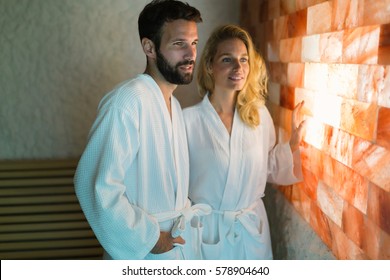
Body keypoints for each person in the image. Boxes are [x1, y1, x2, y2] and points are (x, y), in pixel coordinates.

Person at [74, 0, 210, 260]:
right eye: (179, 43)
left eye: (193, 43)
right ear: (149, 47)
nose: (191, 54)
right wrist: (150, 239)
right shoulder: (127, 101)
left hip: (176, 248)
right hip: (144, 252)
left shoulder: (175, 105)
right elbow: (93, 184)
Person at [183, 24, 306, 259]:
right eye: (227, 59)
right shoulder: (187, 121)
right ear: (209, 65)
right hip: (209, 235)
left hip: (252, 232)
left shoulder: (258, 115)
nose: (238, 67)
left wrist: (293, 143)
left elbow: (267, 166)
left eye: (244, 59)